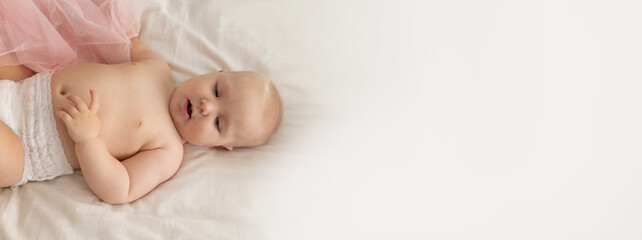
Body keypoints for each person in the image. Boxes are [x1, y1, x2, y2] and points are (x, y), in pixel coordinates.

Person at [0, 2, 282, 204]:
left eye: (219, 122)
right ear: (216, 73)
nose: (207, 107)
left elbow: (120, 188)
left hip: (27, 148)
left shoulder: (167, 150)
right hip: (22, 87)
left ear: (221, 145)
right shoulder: (156, 67)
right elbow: (120, 36)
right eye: (218, 91)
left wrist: (88, 140)